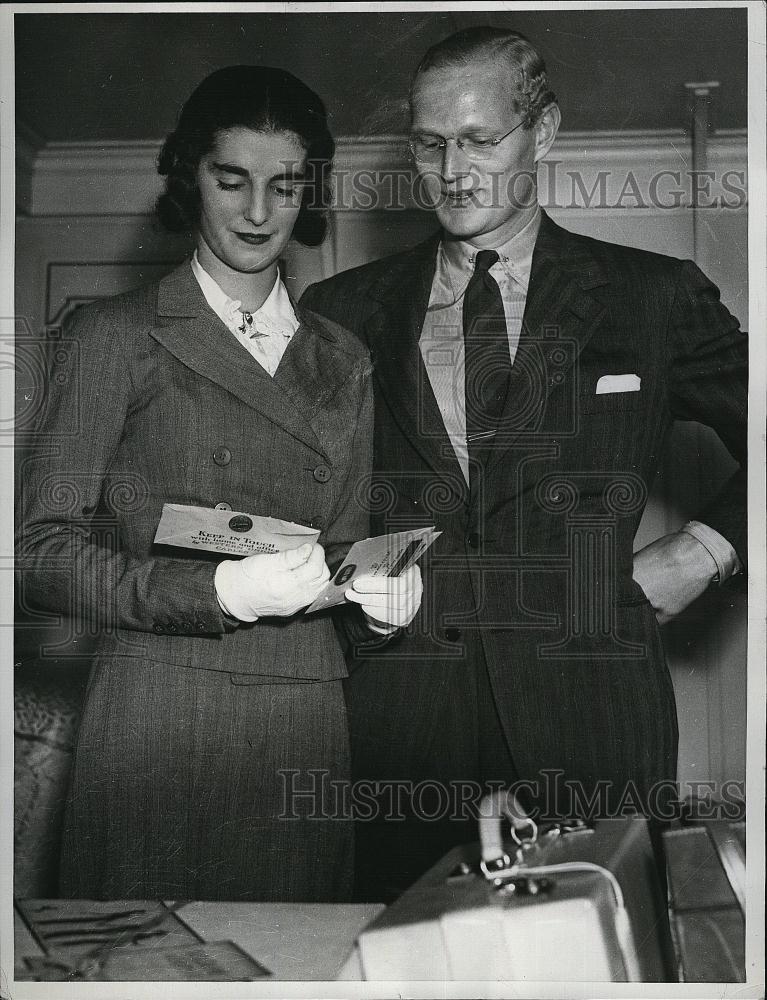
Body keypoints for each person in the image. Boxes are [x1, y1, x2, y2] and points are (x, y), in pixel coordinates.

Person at [301, 26, 747, 900]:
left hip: (593, 717)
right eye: (430, 145)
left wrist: (704, 549)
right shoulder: (340, 309)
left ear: (541, 133)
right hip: (399, 727)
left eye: (479, 138)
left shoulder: (651, 297)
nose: (452, 169)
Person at [18, 65, 421, 902]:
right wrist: (220, 592)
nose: (258, 212)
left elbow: (338, 553)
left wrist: (378, 601)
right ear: (187, 178)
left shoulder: (342, 359)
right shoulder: (115, 335)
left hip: (303, 718)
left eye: (284, 186)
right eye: (231, 180)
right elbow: (37, 554)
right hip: (160, 711)